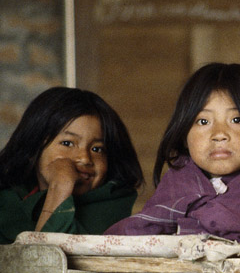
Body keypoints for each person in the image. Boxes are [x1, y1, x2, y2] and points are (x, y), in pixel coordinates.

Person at [106, 63, 240, 254]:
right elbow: (138, 231)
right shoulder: (179, 179)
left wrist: (188, 221)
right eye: (203, 121)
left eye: (236, 120)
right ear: (184, 135)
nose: (219, 134)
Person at [0, 87, 143, 244]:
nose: (85, 158)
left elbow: (46, 262)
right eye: (67, 143)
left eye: (97, 149)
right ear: (34, 148)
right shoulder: (8, 201)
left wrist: (61, 186)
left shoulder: (113, 207)